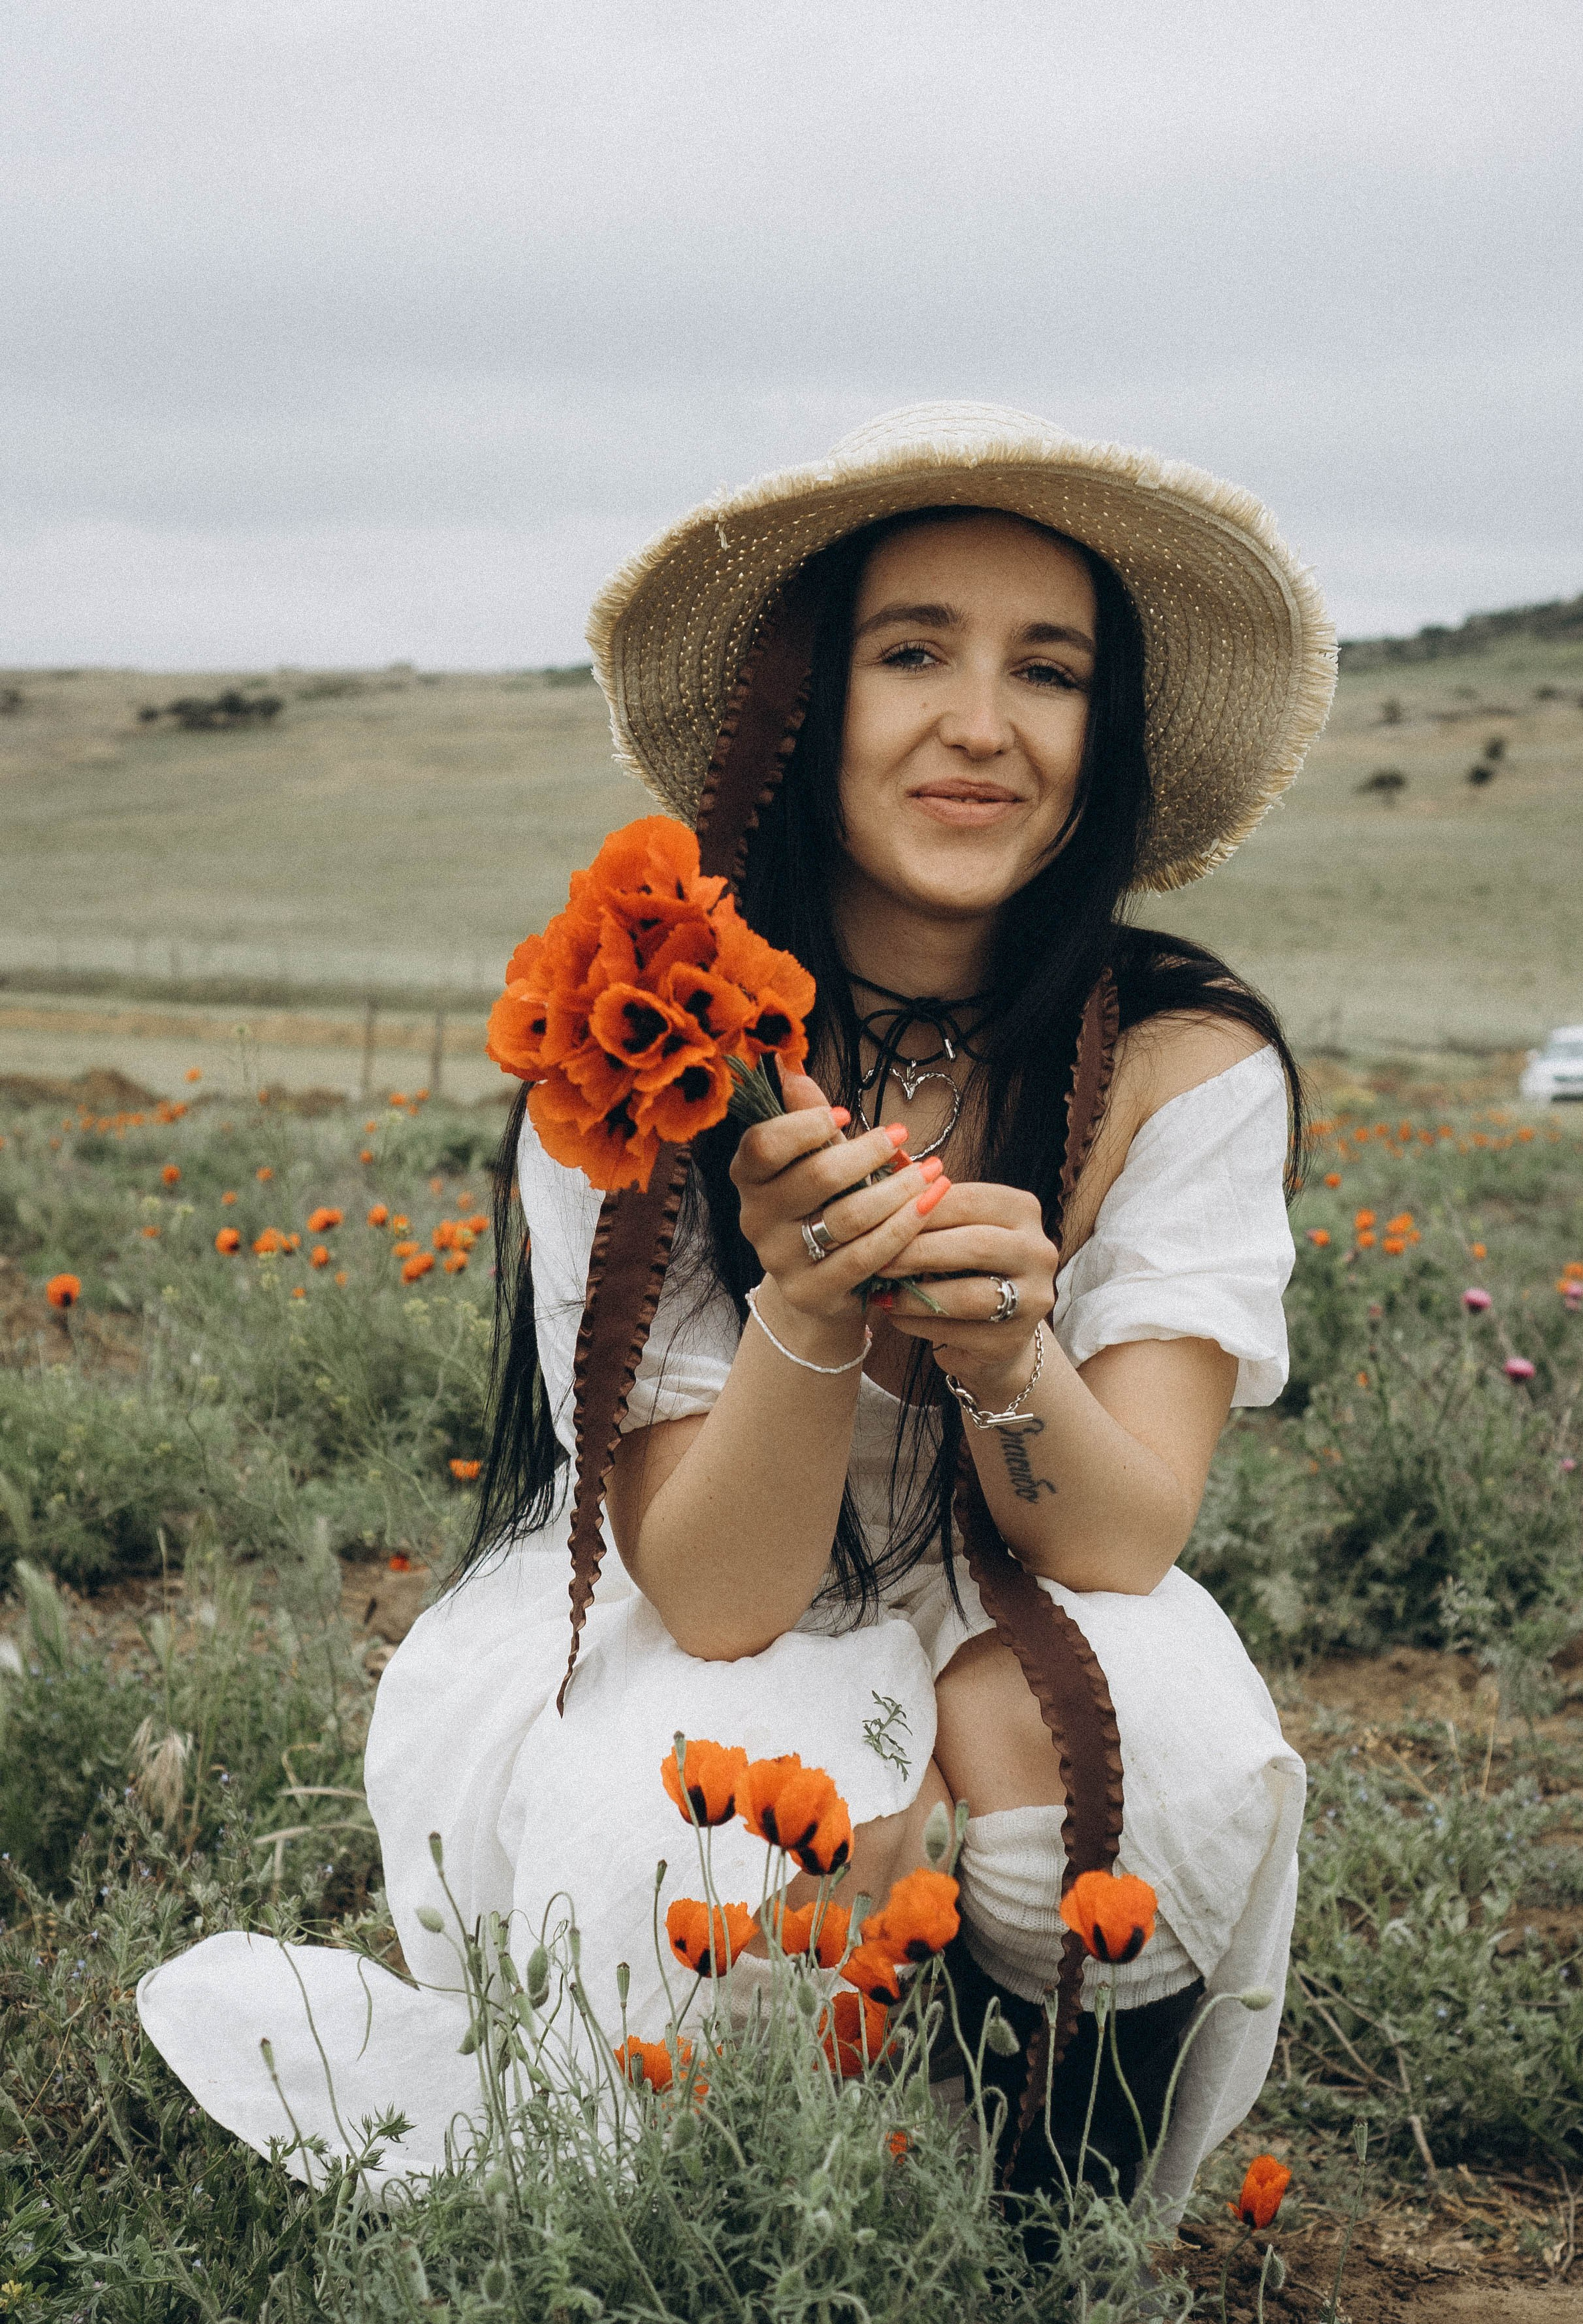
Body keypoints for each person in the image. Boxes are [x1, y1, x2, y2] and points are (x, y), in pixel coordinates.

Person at [139, 402, 1335, 2212]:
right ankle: (744, 2244)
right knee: (685, 1819)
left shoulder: (1182, 1061)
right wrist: (807, 1304)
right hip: (703, 1590)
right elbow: (712, 1594)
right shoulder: (642, 1035)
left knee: (1153, 1741)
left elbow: (1126, 1531)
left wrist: (1011, 1351)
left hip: (1019, 1567)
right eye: (911, 651)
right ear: (800, 702)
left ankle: (1041, 2243)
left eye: (1050, 669)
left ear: (1109, 733)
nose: (981, 725)